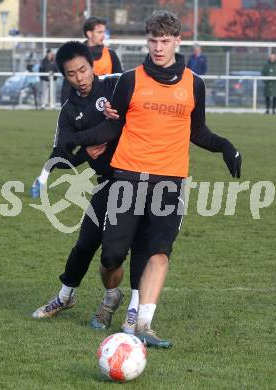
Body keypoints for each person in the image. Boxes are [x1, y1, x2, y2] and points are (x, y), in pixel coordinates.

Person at [68, 11, 242, 348]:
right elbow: (112, 126)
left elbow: (198, 130)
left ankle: (143, 325)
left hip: (170, 182)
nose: (159, 47)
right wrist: (80, 139)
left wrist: (224, 146)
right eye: (153, 41)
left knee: (159, 252)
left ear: (178, 41)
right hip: (128, 177)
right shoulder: (130, 80)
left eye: (165, 41)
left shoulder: (195, 83)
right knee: (111, 258)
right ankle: (111, 296)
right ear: (147, 42)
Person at [31, 41, 149, 335]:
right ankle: (65, 297)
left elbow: (122, 125)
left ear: (91, 65)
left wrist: (80, 140)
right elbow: (59, 156)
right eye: (72, 74)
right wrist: (86, 151)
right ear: (64, 76)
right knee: (84, 244)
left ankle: (129, 306)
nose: (80, 78)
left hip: (138, 179)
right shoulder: (69, 110)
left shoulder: (113, 86)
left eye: (83, 69)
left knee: (122, 252)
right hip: (106, 183)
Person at [60, 16, 123, 105]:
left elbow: (119, 83)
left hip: (105, 108)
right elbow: (67, 87)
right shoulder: (75, 56)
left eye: (104, 32)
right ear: (89, 33)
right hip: (83, 107)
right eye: (99, 32)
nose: (103, 35)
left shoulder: (111, 55)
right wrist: (66, 110)